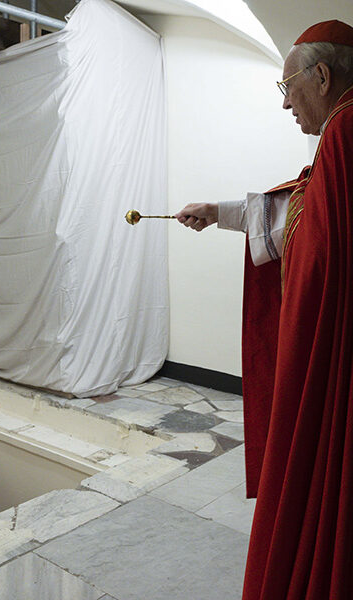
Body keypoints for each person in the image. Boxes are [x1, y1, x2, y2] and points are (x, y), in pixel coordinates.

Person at [175, 20, 353, 600]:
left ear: (321, 76)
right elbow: (301, 213)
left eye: (287, 88)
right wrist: (219, 212)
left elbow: (318, 245)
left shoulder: (346, 135)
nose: (285, 105)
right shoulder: (340, 138)